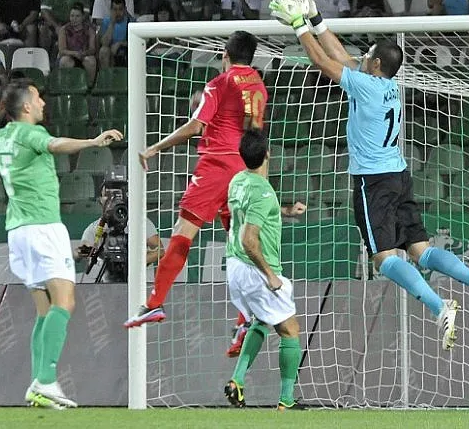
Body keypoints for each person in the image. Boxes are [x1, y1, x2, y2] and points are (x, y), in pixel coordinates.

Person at [268, 0, 469, 350]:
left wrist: (299, 26)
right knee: (421, 249)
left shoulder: (366, 86)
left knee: (384, 258)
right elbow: (343, 57)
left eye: (369, 55)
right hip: (399, 175)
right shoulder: (386, 85)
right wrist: (317, 19)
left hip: (373, 181)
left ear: (376, 64)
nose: (362, 58)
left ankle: (440, 307)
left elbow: (324, 63)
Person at [0, 75, 123, 410]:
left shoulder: (2, 136)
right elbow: (56, 144)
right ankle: (46, 381)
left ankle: (38, 384)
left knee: (44, 310)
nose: (43, 103)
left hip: (17, 231)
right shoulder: (30, 133)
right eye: (37, 98)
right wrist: (93, 142)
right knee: (65, 303)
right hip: (44, 228)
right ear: (25, 107)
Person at [124, 31, 268, 334]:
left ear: (225, 55)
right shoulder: (258, 84)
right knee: (239, 243)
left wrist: (155, 148)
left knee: (183, 232)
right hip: (244, 168)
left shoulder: (219, 83)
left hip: (217, 165)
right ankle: (244, 319)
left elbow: (195, 126)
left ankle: (155, 303)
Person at [222, 128, 305, 411]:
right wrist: (270, 275)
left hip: (234, 265)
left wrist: (286, 211)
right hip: (255, 268)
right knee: (290, 329)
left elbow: (253, 212)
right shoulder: (264, 192)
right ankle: (286, 400)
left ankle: (237, 381)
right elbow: (249, 239)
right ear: (268, 154)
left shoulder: (237, 181)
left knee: (261, 320)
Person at [76, 184, 165, 283]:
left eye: (116, 195)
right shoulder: (94, 228)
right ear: (100, 200)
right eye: (107, 195)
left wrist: (135, 262)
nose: (112, 199)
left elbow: (160, 250)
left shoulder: (141, 223)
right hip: (106, 283)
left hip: (137, 284)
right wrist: (86, 251)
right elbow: (81, 250)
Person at [57, 3, 97, 83]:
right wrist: (74, 53)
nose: (74, 19)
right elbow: (62, 50)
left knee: (91, 61)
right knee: (65, 61)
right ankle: (66, 86)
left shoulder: (90, 30)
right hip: (69, 55)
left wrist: (84, 53)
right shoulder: (63, 29)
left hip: (84, 55)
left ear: (82, 17)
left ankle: (90, 85)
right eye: (72, 16)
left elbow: (92, 49)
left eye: (77, 16)